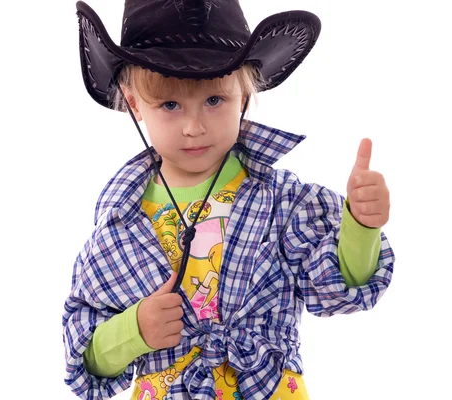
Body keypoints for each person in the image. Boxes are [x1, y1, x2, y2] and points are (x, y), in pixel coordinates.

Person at [62, 1, 395, 399]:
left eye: (214, 100)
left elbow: (336, 289)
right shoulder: (120, 227)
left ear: (244, 95)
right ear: (134, 103)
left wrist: (361, 226)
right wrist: (135, 330)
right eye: (169, 105)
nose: (194, 127)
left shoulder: (283, 201)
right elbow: (86, 356)